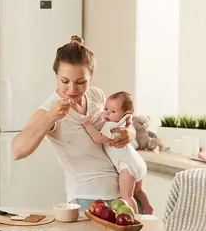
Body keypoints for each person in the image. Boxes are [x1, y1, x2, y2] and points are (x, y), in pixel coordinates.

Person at [11, 35, 141, 211]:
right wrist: (50, 118)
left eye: (81, 82)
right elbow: (16, 151)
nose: (72, 90)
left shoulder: (97, 95)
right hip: (87, 199)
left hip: (121, 193)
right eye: (65, 81)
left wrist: (129, 132)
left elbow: (119, 122)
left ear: (91, 77)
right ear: (56, 76)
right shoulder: (49, 109)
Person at [80, 91, 153, 214]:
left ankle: (135, 219)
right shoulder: (124, 124)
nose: (107, 113)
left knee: (127, 196)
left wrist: (88, 126)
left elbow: (98, 139)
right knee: (138, 191)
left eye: (113, 111)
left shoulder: (112, 126)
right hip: (137, 163)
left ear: (125, 114)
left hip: (127, 168)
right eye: (106, 109)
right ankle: (148, 208)